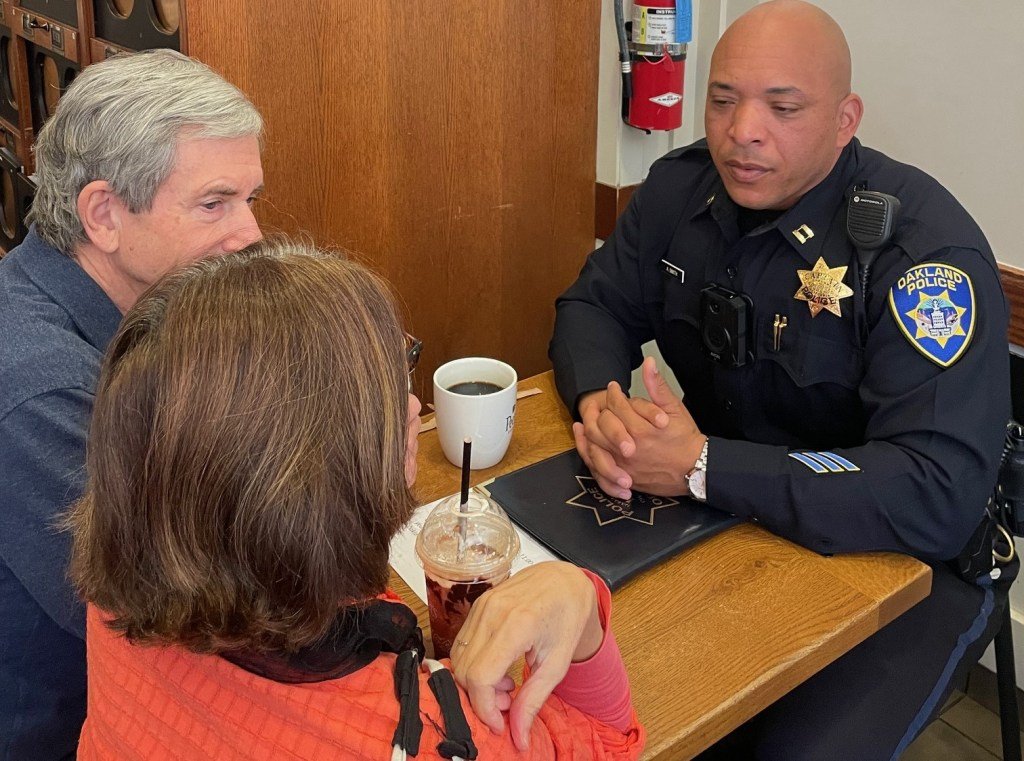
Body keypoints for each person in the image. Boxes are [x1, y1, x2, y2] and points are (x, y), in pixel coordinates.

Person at [550, 1, 1013, 758]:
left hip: (905, 564)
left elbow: (935, 492)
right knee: (607, 700)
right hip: (730, 519)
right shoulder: (682, 189)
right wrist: (604, 407)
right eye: (724, 99)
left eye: (783, 107)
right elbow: (592, 306)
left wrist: (702, 465)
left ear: (845, 118)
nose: (743, 131)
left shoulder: (923, 259)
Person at [63, 239, 644, 760]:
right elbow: (609, 745)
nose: (414, 406)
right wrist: (578, 599)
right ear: (315, 480)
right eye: (394, 379)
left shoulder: (118, 601)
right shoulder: (434, 737)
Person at [0, 50, 263, 759]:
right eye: (215, 203)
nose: (250, 235)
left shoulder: (123, 317)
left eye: (250, 200)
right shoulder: (45, 388)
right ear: (104, 215)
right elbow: (170, 618)